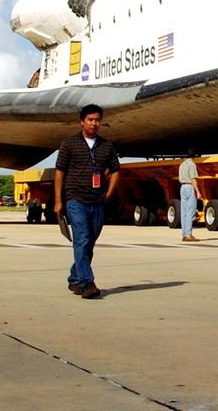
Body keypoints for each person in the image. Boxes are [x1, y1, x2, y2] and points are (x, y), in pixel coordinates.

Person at [54, 104, 121, 299]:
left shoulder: (106, 145)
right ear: (82, 122)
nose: (94, 123)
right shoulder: (69, 144)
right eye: (90, 120)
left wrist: (108, 194)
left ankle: (75, 278)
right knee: (81, 238)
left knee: (89, 242)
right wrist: (59, 201)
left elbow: (116, 170)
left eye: (97, 120)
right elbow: (60, 172)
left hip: (98, 200)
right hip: (75, 198)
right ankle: (87, 282)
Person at [178, 149, 200, 242]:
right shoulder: (192, 164)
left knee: (184, 212)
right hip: (189, 187)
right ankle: (188, 235)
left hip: (182, 187)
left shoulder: (182, 164)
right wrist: (198, 191)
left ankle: (184, 233)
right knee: (190, 212)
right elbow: (193, 179)